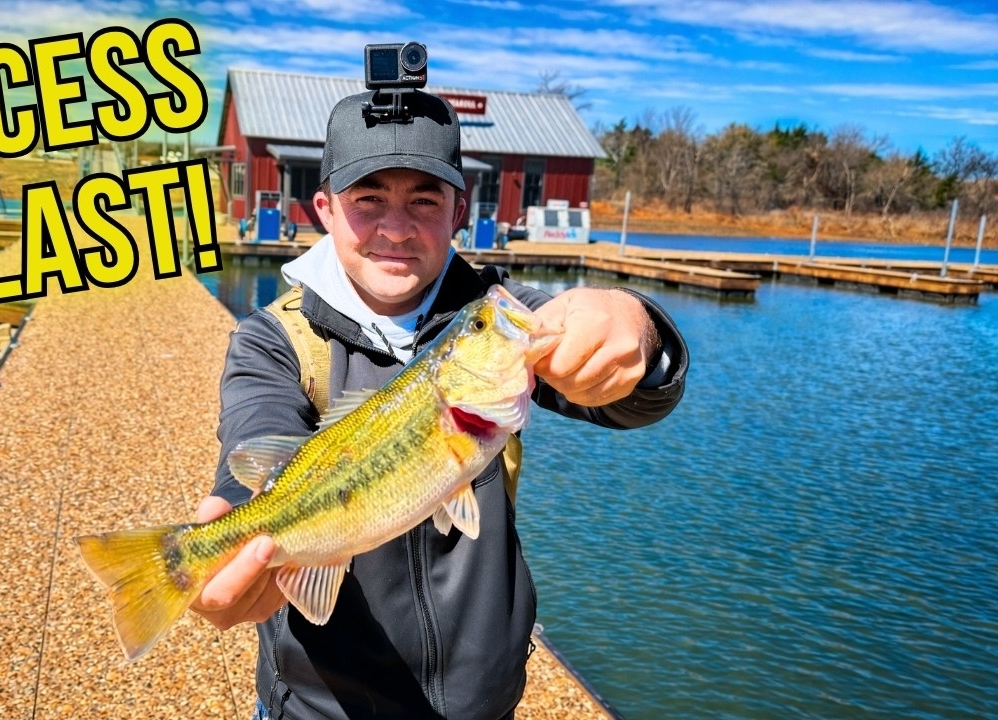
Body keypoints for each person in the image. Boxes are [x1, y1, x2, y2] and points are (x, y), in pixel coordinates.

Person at [192, 88, 688, 720]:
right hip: (318, 708)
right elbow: (252, 443)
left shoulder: (494, 313)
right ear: (324, 208)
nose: (396, 228)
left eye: (424, 200)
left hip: (483, 705)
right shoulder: (270, 340)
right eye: (368, 198)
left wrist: (635, 326)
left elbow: (631, 395)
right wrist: (226, 541)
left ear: (458, 210)